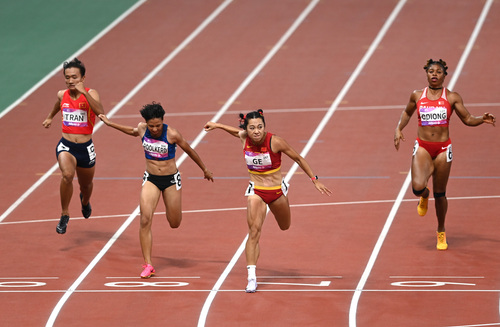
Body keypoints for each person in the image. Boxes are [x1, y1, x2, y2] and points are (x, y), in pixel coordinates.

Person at [204, 109, 332, 293]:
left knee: (285, 225)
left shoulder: (275, 141)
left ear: (264, 127)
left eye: (260, 127)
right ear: (246, 130)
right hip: (257, 191)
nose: (256, 131)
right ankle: (252, 278)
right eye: (252, 128)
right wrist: (217, 126)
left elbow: (298, 158)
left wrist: (315, 180)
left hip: (277, 192)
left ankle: (278, 209)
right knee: (253, 232)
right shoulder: (243, 138)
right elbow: (235, 132)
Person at [99, 102, 213, 278]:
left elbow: (189, 150)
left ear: (163, 121)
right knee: (145, 219)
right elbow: (131, 131)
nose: (154, 129)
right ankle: (148, 264)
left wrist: (204, 169)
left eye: (157, 125)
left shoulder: (172, 134)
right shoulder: (142, 129)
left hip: (170, 180)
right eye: (151, 126)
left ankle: (171, 210)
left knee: (174, 222)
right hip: (151, 179)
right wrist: (109, 123)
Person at [394, 58, 496, 250]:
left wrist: (481, 119)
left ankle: (441, 231)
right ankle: (424, 195)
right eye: (431, 71)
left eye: (438, 72)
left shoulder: (452, 97)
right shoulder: (417, 95)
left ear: (444, 75)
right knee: (417, 187)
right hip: (423, 146)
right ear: (426, 73)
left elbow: (467, 119)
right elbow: (407, 112)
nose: (434, 74)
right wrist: (398, 128)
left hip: (442, 149)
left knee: (440, 194)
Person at [42, 58, 104, 234]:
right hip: (66, 145)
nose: (70, 81)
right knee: (67, 175)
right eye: (67, 77)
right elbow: (58, 105)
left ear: (83, 78)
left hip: (85, 149)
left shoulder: (92, 93)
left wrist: (84, 93)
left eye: (74, 77)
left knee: (86, 186)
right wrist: (49, 117)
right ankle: (64, 214)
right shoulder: (63, 94)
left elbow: (100, 111)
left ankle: (84, 202)